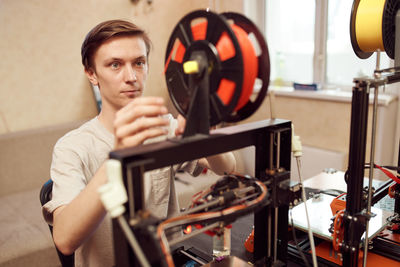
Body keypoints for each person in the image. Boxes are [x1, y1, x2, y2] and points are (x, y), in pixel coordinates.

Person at [42, 19, 236, 267]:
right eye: (115, 65)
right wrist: (118, 156)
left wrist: (204, 138)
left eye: (139, 63)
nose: (132, 77)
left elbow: (229, 168)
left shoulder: (163, 127)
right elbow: (65, 240)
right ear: (91, 74)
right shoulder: (72, 147)